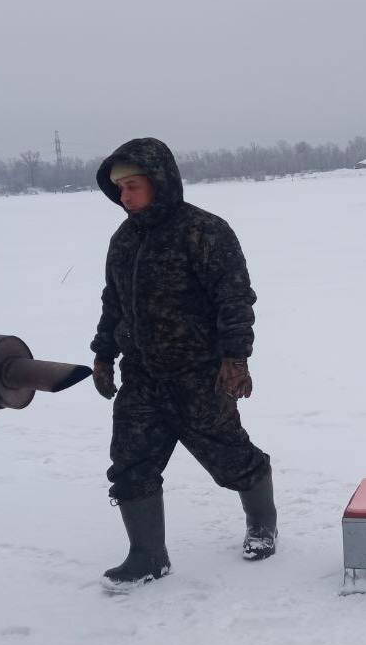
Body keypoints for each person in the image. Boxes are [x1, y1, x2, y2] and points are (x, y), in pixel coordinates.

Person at [90, 137, 276, 585]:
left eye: (134, 186)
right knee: (131, 463)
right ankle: (148, 556)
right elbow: (113, 302)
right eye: (120, 189)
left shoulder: (205, 231)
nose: (125, 197)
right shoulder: (124, 239)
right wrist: (103, 353)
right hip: (142, 379)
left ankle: (262, 525)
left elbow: (234, 299)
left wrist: (236, 358)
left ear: (159, 182)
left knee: (232, 458)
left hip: (199, 377)